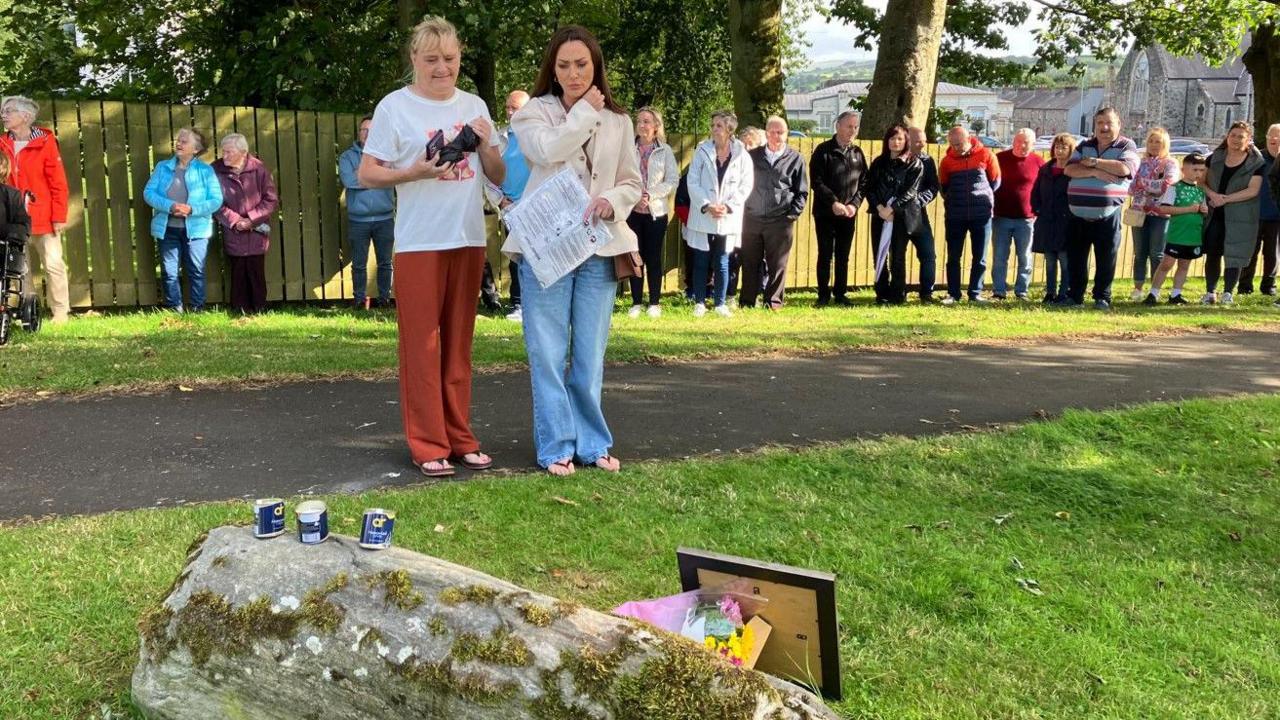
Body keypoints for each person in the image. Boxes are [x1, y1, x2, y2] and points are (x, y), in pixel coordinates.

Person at [357, 16, 505, 477]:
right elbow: (367, 173)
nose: (442, 68)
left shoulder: (475, 104)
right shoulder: (394, 107)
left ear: (460, 57)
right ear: (414, 60)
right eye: (431, 59)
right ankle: (427, 443)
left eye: (450, 58)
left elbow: (498, 176)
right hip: (420, 243)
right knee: (422, 346)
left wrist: (485, 148)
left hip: (468, 238)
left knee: (459, 345)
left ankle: (460, 437)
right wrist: (412, 173)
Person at [505, 25, 642, 476]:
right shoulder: (533, 114)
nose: (573, 73)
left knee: (589, 353)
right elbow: (546, 152)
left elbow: (632, 181)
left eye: (582, 64)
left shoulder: (620, 121)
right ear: (552, 69)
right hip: (547, 247)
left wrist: (614, 201)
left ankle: (592, 443)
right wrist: (583, 113)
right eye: (563, 65)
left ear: (596, 65)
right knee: (545, 352)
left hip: (599, 246)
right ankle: (556, 446)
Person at [0, 96, 70, 323]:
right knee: (20, 267)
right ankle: (28, 313)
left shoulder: (46, 142)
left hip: (43, 215)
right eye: (3, 111)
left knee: (53, 264)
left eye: (9, 111)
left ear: (26, 117)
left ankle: (60, 312)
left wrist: (58, 216)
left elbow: (58, 182)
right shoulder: (2, 143)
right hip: (13, 217)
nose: (4, 115)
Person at [1062, 108, 1139, 310]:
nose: (1104, 127)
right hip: (1077, 215)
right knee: (1077, 258)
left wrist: (1095, 162)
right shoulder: (1084, 145)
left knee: (1106, 258)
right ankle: (1075, 296)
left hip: (1108, 215)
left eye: (1109, 123)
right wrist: (1096, 172)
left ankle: (1102, 297)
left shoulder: (1126, 145)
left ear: (1118, 125)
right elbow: (1069, 169)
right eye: (1100, 123)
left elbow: (1124, 169)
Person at [143, 128, 224, 312]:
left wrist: (192, 209)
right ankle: (174, 308)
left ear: (196, 149)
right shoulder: (162, 167)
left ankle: (197, 308)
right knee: (169, 271)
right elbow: (148, 193)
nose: (178, 143)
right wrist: (170, 206)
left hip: (196, 230)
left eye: (184, 141)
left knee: (196, 270)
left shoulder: (206, 170)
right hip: (167, 228)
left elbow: (216, 200)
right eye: (178, 140)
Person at [685, 110, 753, 317]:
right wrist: (707, 205)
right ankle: (699, 302)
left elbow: (746, 184)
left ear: (730, 130)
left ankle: (720, 303)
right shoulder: (702, 151)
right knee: (701, 259)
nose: (714, 129)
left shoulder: (742, 154)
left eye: (719, 126)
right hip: (704, 213)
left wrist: (728, 207)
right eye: (713, 125)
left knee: (722, 259)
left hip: (727, 215)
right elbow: (692, 181)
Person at [740, 115, 807, 309]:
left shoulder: (796, 159)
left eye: (780, 132)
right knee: (750, 263)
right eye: (772, 132)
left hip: (780, 220)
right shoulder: (752, 157)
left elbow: (801, 191)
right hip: (752, 219)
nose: (776, 136)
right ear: (766, 133)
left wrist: (792, 215)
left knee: (777, 265)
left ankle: (773, 303)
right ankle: (747, 302)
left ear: (787, 134)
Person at [1199, 120, 1265, 305]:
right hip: (1215, 214)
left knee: (1234, 254)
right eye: (1233, 135)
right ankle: (1210, 291)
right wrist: (1213, 195)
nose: (1236, 140)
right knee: (1213, 252)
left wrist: (1225, 199)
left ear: (1248, 139)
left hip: (1241, 215)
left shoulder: (1256, 162)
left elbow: (1253, 190)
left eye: (1241, 137)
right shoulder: (1214, 158)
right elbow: (1202, 182)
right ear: (1227, 137)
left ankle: (1228, 292)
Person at [212, 133, 279, 314]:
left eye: (229, 152)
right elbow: (215, 202)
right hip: (233, 228)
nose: (224, 156)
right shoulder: (216, 170)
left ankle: (259, 308)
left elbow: (271, 200)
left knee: (256, 268)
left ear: (243, 152)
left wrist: (251, 219)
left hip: (257, 228)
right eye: (223, 151)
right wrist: (235, 221)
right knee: (238, 268)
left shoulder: (259, 169)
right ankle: (238, 309)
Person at [810, 111, 869, 306]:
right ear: (838, 126)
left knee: (843, 255)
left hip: (848, 214)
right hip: (826, 213)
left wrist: (854, 205)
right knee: (825, 254)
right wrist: (833, 202)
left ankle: (841, 294)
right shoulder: (823, 151)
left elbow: (864, 183)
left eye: (855, 127)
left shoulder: (857, 153)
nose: (852, 130)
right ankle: (823, 295)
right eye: (849, 126)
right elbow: (816, 182)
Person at [339, 115, 396, 309]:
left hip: (385, 218)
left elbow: (392, 178)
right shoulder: (347, 157)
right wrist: (378, 175)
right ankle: (359, 300)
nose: (367, 134)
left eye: (371, 131)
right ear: (359, 133)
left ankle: (384, 299)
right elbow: (349, 181)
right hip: (358, 220)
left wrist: (364, 176)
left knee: (385, 263)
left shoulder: (388, 156)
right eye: (364, 130)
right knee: (359, 264)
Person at [938, 125, 1000, 305]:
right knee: (953, 256)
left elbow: (995, 182)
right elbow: (944, 186)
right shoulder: (946, 162)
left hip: (981, 215)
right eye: (952, 144)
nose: (956, 147)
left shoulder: (986, 155)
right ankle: (953, 294)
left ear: (968, 139)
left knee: (979, 256)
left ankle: (975, 293)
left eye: (959, 143)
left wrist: (980, 199)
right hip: (955, 215)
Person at [626, 106, 678, 318]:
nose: (641, 125)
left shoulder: (664, 151)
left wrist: (650, 194)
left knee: (653, 257)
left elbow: (672, 181)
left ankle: (654, 302)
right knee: (634, 256)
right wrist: (634, 196)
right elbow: (621, 177)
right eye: (639, 121)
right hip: (631, 210)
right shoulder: (628, 148)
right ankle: (636, 302)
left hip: (656, 212)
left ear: (656, 126)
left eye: (646, 121)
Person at [865, 124, 924, 304]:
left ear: (906, 141)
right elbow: (869, 188)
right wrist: (880, 209)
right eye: (892, 138)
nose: (895, 142)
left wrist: (892, 209)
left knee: (897, 255)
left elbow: (910, 192)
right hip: (879, 215)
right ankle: (881, 293)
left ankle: (898, 294)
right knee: (879, 253)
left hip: (900, 216)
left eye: (899, 139)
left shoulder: (914, 163)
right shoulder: (878, 162)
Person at [1144, 153, 1209, 305]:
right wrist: (1188, 209)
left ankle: (1176, 294)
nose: (1198, 174)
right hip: (1177, 234)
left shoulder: (1200, 191)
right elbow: (1164, 209)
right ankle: (1153, 293)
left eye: (1201, 170)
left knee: (1184, 265)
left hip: (1193, 235)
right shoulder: (1174, 188)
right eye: (1195, 170)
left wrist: (1203, 211)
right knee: (1166, 264)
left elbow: (1201, 210)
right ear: (1183, 169)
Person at [991, 128, 1044, 300]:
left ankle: (1022, 291)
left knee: (1025, 257)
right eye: (1019, 141)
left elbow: (1044, 188)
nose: (1022, 145)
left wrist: (1039, 210)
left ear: (1033, 144)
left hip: (1026, 219)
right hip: (1001, 217)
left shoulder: (1038, 162)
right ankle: (999, 290)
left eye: (1026, 142)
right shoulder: (999, 159)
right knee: (1000, 256)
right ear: (1013, 141)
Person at [1126, 127, 1178, 301]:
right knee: (1140, 252)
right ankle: (1138, 288)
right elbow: (1131, 187)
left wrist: (1143, 183)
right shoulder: (1140, 163)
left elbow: (1166, 185)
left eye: (1159, 142)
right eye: (1151, 141)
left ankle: (1155, 289)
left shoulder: (1170, 163)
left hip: (1160, 213)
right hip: (1139, 212)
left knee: (1157, 253)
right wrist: (1149, 185)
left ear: (1165, 144)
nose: (1154, 145)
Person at [1031, 133, 1076, 304]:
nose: (1060, 150)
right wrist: (1037, 208)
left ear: (1070, 150)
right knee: (1050, 260)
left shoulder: (1074, 171)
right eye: (1057, 147)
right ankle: (1050, 292)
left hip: (1066, 222)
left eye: (1064, 147)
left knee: (1065, 260)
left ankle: (1064, 293)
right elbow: (1036, 192)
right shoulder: (1045, 170)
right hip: (1047, 221)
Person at [499, 89, 532, 322]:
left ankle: (537, 304)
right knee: (516, 255)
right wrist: (500, 200)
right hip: (510, 206)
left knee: (537, 255)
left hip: (536, 204)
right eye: (508, 108)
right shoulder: (501, 137)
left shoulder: (537, 134)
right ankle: (518, 304)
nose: (510, 112)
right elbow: (487, 173)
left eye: (515, 108)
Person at [1244, 122, 1280, 296]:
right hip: (1254, 213)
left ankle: (1268, 286)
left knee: (1273, 254)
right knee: (1250, 251)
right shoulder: (1256, 158)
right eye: (1271, 138)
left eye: (1279, 138)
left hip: (1277, 216)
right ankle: (1244, 286)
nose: (1275, 141)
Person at [906, 126, 939, 302]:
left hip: (918, 214)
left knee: (928, 254)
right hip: (897, 214)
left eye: (924, 141)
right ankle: (897, 291)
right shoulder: (896, 158)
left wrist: (919, 201)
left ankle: (926, 293)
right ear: (907, 140)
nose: (922, 144)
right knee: (897, 255)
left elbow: (933, 187)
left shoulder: (927, 160)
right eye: (918, 141)